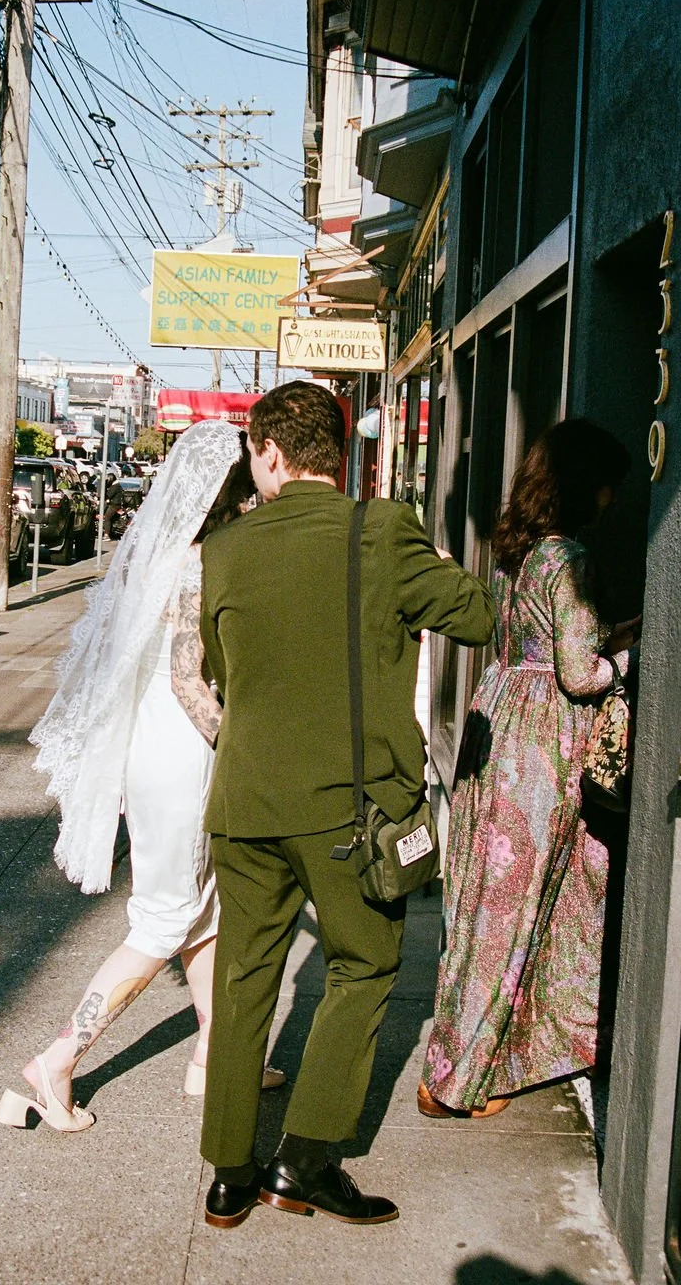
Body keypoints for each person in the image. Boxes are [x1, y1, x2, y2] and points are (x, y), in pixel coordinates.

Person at [184, 381, 495, 1229]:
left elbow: (222, 668)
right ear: (341, 453)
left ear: (270, 454)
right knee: (363, 966)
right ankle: (306, 1161)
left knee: (245, 977)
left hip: (246, 800)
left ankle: (229, 1173)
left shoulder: (224, 548)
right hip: (348, 810)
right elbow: (475, 617)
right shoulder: (383, 529)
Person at [0, 418, 274, 1134]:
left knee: (203, 910)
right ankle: (55, 1063)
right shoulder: (200, 564)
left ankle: (216, 1057)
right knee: (163, 919)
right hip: (185, 752)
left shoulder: (155, 555)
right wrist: (243, 745)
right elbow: (189, 680)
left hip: (154, 747)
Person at [419, 419, 638, 1120]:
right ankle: (464, 1078)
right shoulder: (569, 556)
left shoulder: (516, 551)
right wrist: (629, 657)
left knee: (484, 905)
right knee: (523, 911)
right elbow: (579, 674)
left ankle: (463, 1060)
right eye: (605, 485)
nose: (610, 498)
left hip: (500, 718)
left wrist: (607, 636)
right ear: (584, 485)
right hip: (544, 741)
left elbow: (540, 640)